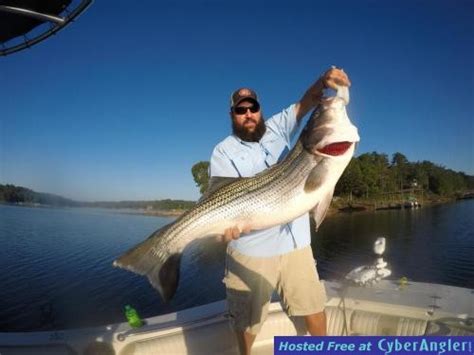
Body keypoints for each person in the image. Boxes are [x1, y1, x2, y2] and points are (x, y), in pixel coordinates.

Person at [209, 67, 351, 354]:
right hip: (250, 250)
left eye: (253, 107)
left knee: (313, 306)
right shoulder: (222, 151)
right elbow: (220, 199)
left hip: (296, 245)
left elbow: (308, 101)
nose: (248, 113)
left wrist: (324, 82)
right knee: (247, 323)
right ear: (232, 115)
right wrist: (226, 229)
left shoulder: (278, 127)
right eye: (240, 109)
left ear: (260, 110)